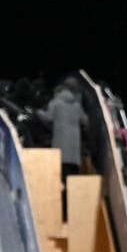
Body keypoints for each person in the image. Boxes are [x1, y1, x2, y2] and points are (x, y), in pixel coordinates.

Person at [36, 77, 89, 218]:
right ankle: (73, 213)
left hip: (60, 153)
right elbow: (86, 121)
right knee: (72, 184)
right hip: (74, 155)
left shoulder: (56, 103)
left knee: (60, 184)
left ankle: (62, 214)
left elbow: (47, 118)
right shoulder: (76, 106)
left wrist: (37, 113)